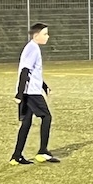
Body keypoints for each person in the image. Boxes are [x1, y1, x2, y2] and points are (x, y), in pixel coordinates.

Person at [10, 22, 59, 165]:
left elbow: (32, 73)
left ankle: (16, 156)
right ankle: (43, 152)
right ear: (36, 35)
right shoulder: (33, 49)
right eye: (45, 34)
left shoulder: (31, 47)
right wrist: (19, 94)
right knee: (46, 117)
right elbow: (25, 71)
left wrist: (44, 86)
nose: (47, 36)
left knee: (26, 123)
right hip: (31, 93)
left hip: (29, 91)